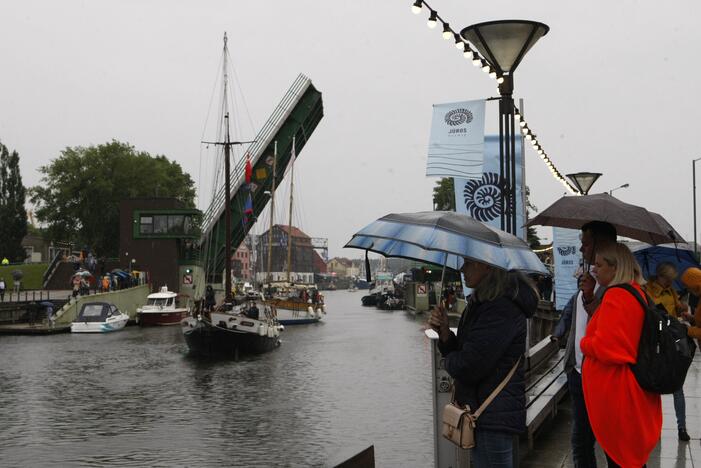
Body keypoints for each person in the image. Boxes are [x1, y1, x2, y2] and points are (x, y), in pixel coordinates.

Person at [428, 259, 538, 467]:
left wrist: (449, 361)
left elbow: (469, 365)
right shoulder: (483, 303)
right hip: (486, 413)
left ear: (488, 265)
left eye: (469, 263)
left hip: (491, 416)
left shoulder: (500, 308)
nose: (462, 269)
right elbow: (468, 352)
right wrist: (444, 332)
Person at [580, 242, 662, 467]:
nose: (594, 269)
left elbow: (610, 348)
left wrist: (584, 343)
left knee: (620, 460)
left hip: (618, 395)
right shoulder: (636, 292)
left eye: (599, 264)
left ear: (615, 268)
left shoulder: (617, 295)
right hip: (628, 390)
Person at [560, 221, 617, 468]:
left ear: (601, 244)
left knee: (613, 443)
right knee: (581, 441)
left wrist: (592, 296)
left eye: (585, 243)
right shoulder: (587, 276)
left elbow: (609, 332)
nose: (581, 249)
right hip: (579, 371)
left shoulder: (616, 283)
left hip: (604, 376)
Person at [642, 262, 691, 441]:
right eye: (668, 280)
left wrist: (681, 308)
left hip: (670, 341)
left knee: (677, 385)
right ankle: (652, 427)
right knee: (654, 386)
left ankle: (682, 427)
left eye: (672, 280)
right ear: (660, 276)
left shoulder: (671, 291)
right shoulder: (647, 290)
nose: (670, 283)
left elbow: (676, 308)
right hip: (654, 342)